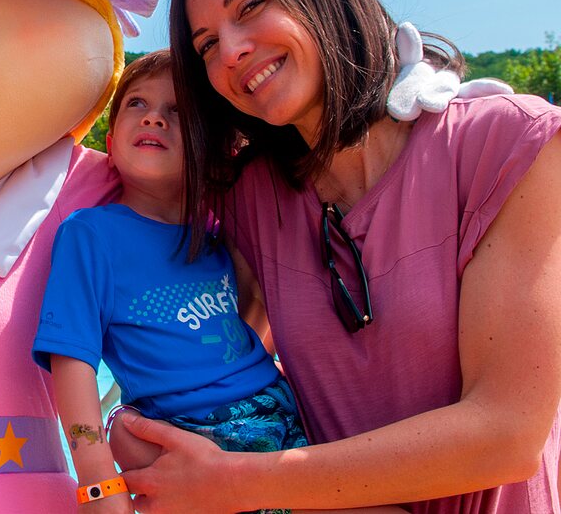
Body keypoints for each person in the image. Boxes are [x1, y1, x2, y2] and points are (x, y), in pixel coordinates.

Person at [113, 0, 561, 513]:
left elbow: (506, 436)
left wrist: (242, 482)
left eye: (249, 7)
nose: (233, 51)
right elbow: (207, 354)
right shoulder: (253, 200)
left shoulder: (501, 145)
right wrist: (124, 426)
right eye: (207, 46)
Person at [35, 50, 405, 514]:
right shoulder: (91, 235)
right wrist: (96, 482)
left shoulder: (220, 231)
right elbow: (73, 356)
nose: (154, 118)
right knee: (128, 435)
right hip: (188, 429)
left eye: (177, 112)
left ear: (210, 149)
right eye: (137, 105)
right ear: (111, 143)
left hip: (281, 408)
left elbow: (255, 313)